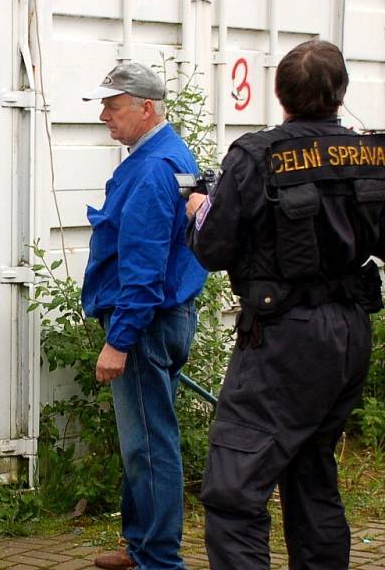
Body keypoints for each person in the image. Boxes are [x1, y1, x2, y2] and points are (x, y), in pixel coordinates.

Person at [186, 39, 385, 569]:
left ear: (280, 94)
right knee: (310, 472)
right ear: (340, 93)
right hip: (349, 332)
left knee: (233, 489)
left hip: (284, 338)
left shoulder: (257, 155)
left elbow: (212, 248)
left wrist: (201, 207)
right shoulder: (371, 155)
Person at [81, 63, 208, 570]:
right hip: (168, 318)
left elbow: (144, 263)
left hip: (145, 324)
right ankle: (141, 546)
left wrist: (120, 339)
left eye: (113, 107)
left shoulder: (155, 167)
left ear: (146, 107)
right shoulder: (169, 156)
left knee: (149, 446)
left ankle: (158, 559)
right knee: (149, 438)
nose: (104, 117)